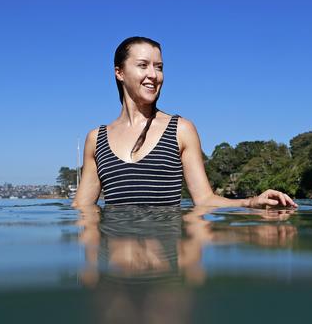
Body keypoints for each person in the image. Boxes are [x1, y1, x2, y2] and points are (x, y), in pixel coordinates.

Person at [72, 36, 298, 209]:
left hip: (163, 264)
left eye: (159, 67)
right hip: (115, 267)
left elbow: (205, 199)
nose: (154, 75)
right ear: (119, 72)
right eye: (143, 65)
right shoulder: (96, 139)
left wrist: (251, 203)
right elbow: (82, 209)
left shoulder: (181, 130)